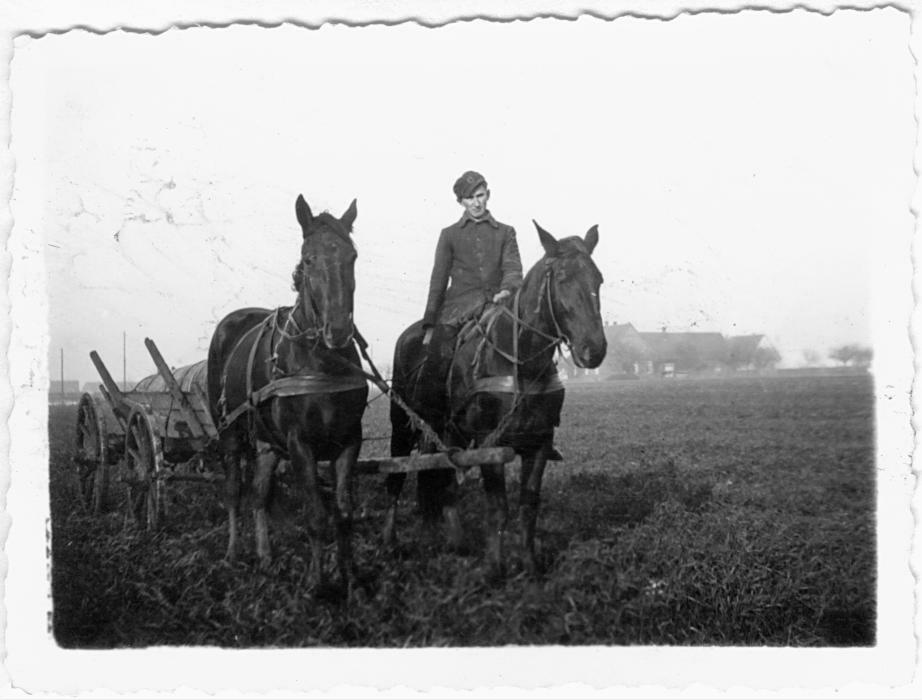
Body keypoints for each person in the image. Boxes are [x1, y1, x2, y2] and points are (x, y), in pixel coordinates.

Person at [422, 170, 523, 350]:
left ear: (488, 195)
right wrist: (429, 321)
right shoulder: (449, 235)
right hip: (457, 311)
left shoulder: (506, 232)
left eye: (480, 196)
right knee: (439, 356)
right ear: (461, 202)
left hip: (498, 305)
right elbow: (438, 281)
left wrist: (507, 290)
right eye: (469, 198)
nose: (476, 203)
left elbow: (512, 269)